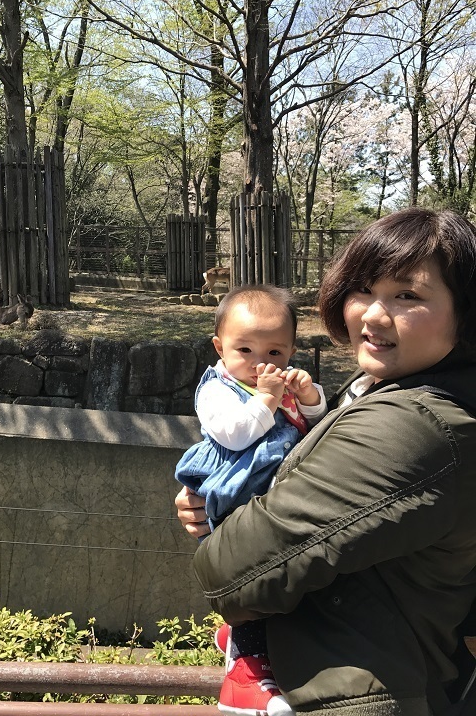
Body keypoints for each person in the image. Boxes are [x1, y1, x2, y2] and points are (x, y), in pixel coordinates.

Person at [176, 208, 476, 716]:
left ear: (465, 312)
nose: (372, 315)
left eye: (408, 295)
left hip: (365, 693)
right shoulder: (377, 393)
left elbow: (232, 572)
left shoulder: (413, 425)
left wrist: (225, 513)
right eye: (364, 288)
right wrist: (216, 488)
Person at [176, 285, 327, 716]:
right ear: (219, 347)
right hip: (237, 496)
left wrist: (311, 398)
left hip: (275, 498)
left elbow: (316, 427)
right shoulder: (218, 390)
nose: (261, 362)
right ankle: (243, 678)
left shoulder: (283, 385)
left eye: (276, 352)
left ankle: (242, 644)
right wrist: (267, 398)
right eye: (244, 348)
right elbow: (234, 434)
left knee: (282, 587)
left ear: (293, 350)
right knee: (257, 581)